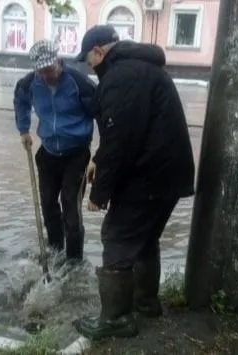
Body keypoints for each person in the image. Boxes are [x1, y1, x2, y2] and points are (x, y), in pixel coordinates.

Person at [73, 25, 195, 339]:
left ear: (99, 51)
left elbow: (121, 140)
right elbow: (129, 128)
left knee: (115, 237)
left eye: (89, 60)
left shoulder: (121, 77)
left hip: (149, 176)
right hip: (169, 175)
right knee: (144, 240)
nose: (90, 68)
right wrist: (97, 160)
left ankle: (115, 319)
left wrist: (99, 194)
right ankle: (145, 303)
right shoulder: (141, 68)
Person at [13, 39, 97, 265]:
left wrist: (98, 157)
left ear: (59, 62)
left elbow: (100, 111)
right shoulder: (30, 83)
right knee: (48, 204)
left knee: (71, 208)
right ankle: (55, 250)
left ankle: (74, 260)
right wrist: (23, 130)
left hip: (76, 154)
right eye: (40, 71)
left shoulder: (79, 83)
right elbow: (20, 100)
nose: (45, 76)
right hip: (48, 152)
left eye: (49, 70)